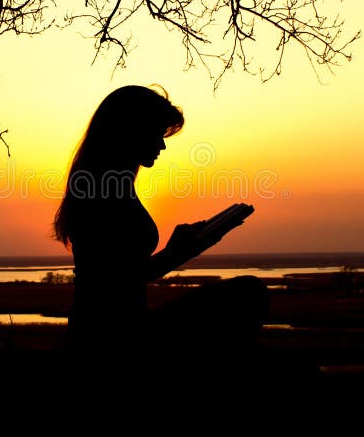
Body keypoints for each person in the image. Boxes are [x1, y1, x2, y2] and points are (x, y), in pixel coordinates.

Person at [53, 85, 269, 367]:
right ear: (130, 131)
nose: (162, 144)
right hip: (112, 339)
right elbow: (113, 283)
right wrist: (177, 253)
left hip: (120, 331)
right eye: (156, 133)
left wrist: (181, 249)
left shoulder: (110, 184)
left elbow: (124, 274)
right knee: (248, 293)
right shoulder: (99, 191)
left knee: (248, 295)